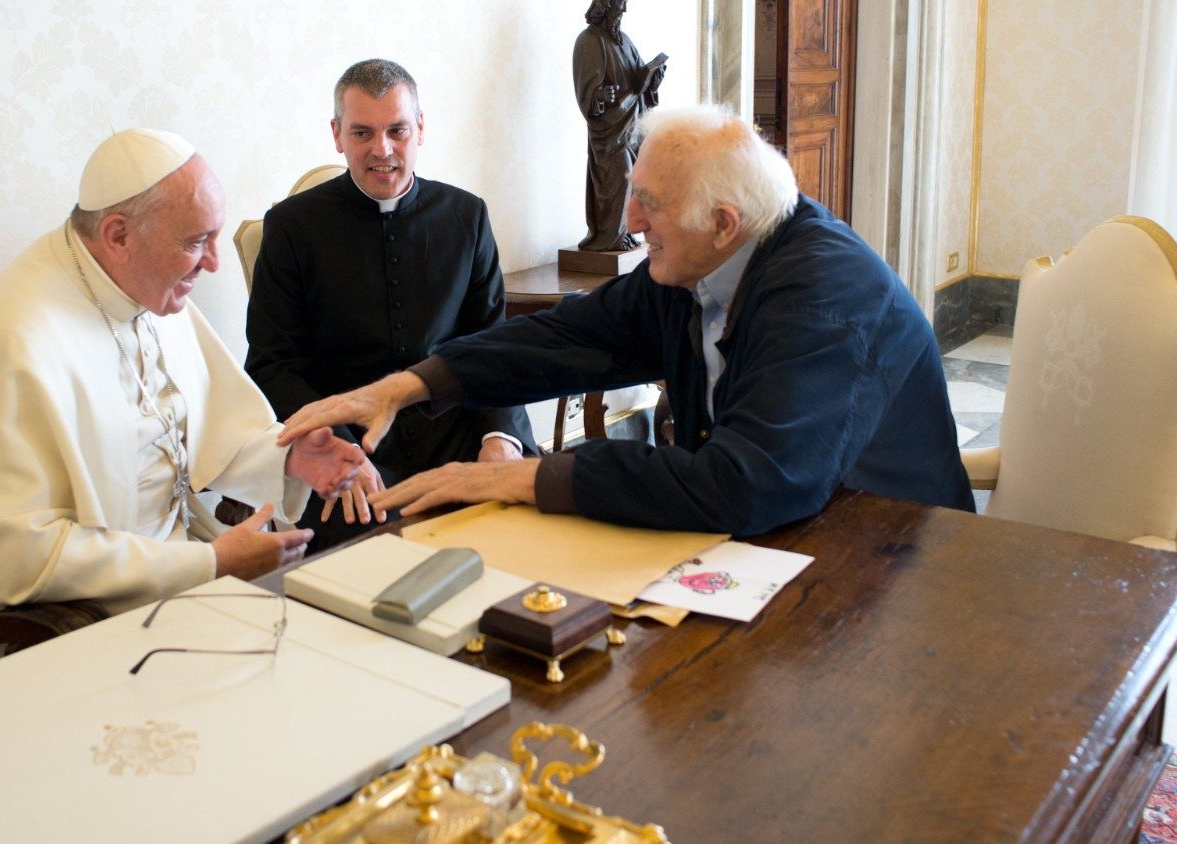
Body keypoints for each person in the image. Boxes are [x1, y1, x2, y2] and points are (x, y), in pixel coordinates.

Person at [277, 104, 975, 536]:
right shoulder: (695, 263)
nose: (631, 223)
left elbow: (747, 484)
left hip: (887, 548)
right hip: (782, 536)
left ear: (723, 223)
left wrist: (527, 478)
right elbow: (571, 336)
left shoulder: (825, 296)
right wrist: (409, 385)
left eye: (650, 205)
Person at [0, 128, 362, 702]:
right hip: (2, 634)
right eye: (197, 241)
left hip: (149, 588)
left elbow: (185, 441)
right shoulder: (15, 341)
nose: (216, 263)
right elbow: (21, 559)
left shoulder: (148, 285)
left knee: (318, 667)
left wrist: (288, 455)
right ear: (118, 235)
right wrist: (209, 562)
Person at [245, 58, 536, 550]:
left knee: (529, 533)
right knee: (376, 563)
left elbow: (493, 342)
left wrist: (500, 438)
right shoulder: (292, 228)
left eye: (397, 130)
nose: (382, 150)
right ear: (337, 135)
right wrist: (335, 448)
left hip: (458, 436)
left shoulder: (466, 216)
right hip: (353, 448)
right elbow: (273, 364)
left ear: (419, 129)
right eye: (362, 133)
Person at [574, 0, 665, 252]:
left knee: (634, 179)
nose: (623, 11)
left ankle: (622, 235)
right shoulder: (589, 41)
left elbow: (638, 81)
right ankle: (607, 236)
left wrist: (652, 81)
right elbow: (585, 89)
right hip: (609, 130)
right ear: (603, 6)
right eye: (618, 4)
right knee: (618, 178)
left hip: (632, 125)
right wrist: (600, 96)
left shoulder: (624, 40)